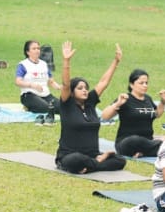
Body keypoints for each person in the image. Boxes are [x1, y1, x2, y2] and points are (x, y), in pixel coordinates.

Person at [54, 42, 128, 173]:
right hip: (69, 155)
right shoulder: (67, 104)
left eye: (86, 88)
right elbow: (65, 85)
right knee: (75, 160)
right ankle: (96, 163)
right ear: (72, 92)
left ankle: (90, 165)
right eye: (80, 88)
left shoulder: (90, 102)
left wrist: (116, 61)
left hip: (93, 155)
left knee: (120, 160)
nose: (85, 90)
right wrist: (66, 61)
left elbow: (103, 82)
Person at [111, 69, 165, 158]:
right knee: (135, 140)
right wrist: (117, 104)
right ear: (131, 84)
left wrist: (163, 102)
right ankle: (159, 144)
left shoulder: (148, 99)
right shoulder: (125, 99)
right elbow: (105, 116)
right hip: (127, 142)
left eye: (146, 83)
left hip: (147, 140)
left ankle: (145, 151)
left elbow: (157, 114)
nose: (145, 85)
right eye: (141, 83)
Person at [14, 39, 61, 120]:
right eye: (34, 49)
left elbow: (51, 81)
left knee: (62, 108)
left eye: (38, 48)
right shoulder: (23, 64)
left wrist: (59, 87)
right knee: (45, 108)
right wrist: (32, 85)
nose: (37, 50)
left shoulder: (44, 64)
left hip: (45, 95)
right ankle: (28, 107)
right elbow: (18, 82)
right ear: (28, 52)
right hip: (29, 95)